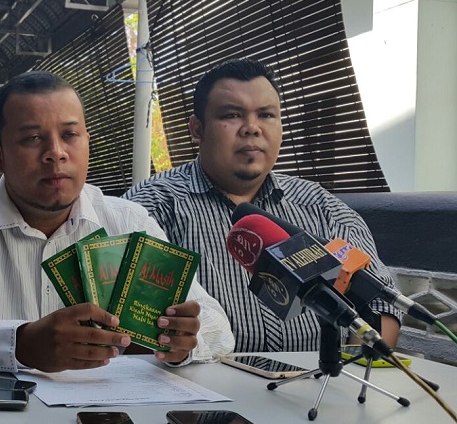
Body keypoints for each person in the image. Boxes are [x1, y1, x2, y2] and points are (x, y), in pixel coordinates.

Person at [0, 71, 234, 373]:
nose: (56, 152)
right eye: (32, 138)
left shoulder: (128, 220)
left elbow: (217, 325)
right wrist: (18, 343)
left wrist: (185, 340)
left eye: (70, 135)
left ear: (87, 143)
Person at [123, 58, 402, 353]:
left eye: (266, 115)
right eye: (232, 115)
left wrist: (351, 377)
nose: (252, 128)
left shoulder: (324, 209)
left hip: (314, 388)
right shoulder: (151, 208)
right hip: (203, 390)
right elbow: (129, 325)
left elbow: (380, 301)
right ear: (197, 129)